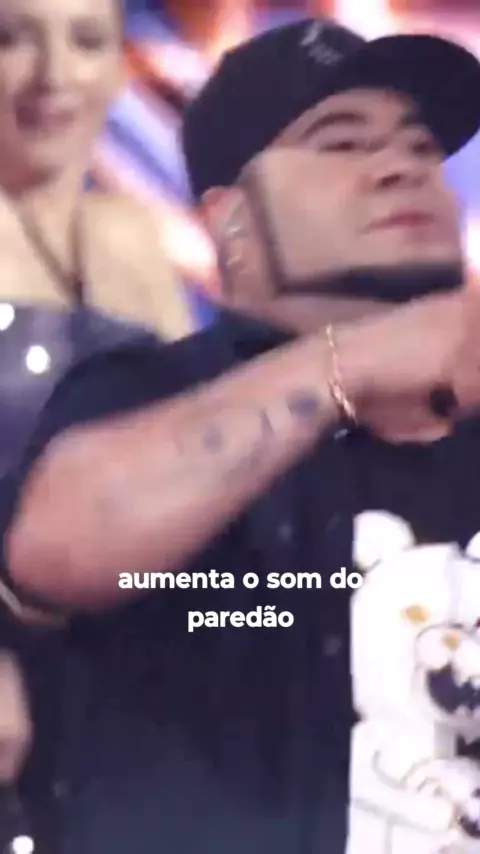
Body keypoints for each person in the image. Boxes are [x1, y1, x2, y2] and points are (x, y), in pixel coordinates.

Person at [2, 15, 480, 854]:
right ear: (232, 222)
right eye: (342, 143)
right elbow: (59, 549)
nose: (402, 165)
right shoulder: (141, 395)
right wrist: (356, 361)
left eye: (420, 147)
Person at [0, 0, 193, 478]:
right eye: (10, 40)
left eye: (86, 42)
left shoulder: (131, 233)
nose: (54, 75)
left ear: (118, 69)